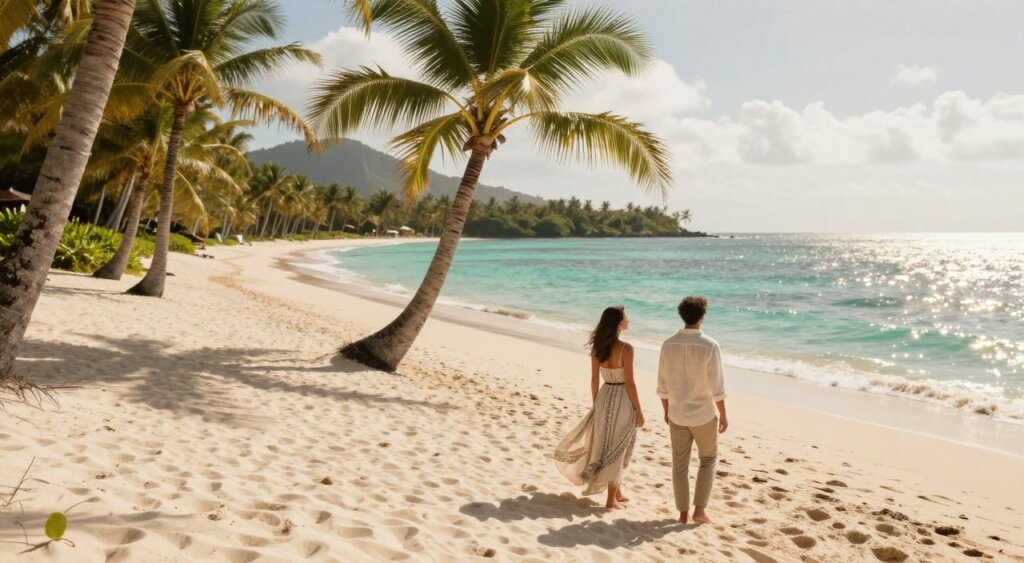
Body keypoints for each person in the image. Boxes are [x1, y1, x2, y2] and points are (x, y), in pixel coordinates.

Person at [554, 306, 645, 509]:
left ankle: (617, 492)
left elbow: (594, 379)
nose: (629, 320)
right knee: (618, 446)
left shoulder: (599, 347)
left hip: (604, 395)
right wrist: (639, 410)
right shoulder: (626, 348)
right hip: (622, 397)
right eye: (626, 317)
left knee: (605, 443)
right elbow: (630, 383)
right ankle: (611, 500)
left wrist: (597, 404)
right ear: (618, 323)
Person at [657, 296, 728, 524]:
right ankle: (699, 511)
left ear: (682, 316)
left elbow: (662, 384)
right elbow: (717, 386)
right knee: (708, 460)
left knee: (679, 464)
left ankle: (683, 514)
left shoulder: (668, 344)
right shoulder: (710, 345)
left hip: (677, 413)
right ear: (702, 316)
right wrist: (724, 414)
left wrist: (666, 409)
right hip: (703, 415)